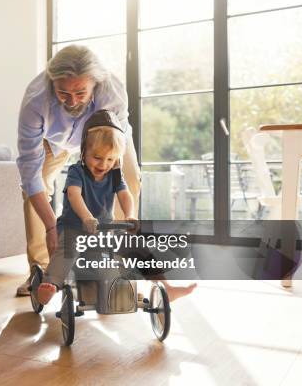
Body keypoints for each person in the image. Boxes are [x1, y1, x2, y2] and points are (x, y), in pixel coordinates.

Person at [36, 110, 196, 304]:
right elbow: (74, 195)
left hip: (104, 231)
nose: (103, 164)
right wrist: (86, 217)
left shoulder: (113, 174)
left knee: (137, 248)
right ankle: (51, 284)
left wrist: (129, 215)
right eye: (97, 157)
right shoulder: (76, 171)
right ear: (84, 150)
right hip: (74, 228)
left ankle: (165, 288)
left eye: (110, 159)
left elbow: (124, 194)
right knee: (66, 251)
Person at [16, 44, 139, 296]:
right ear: (52, 82)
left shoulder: (112, 91)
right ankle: (42, 269)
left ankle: (114, 271)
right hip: (54, 140)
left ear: (95, 83)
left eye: (81, 93)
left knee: (130, 178)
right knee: (33, 188)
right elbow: (29, 171)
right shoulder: (35, 101)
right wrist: (52, 227)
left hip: (105, 138)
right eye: (63, 93)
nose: (72, 101)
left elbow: (116, 150)